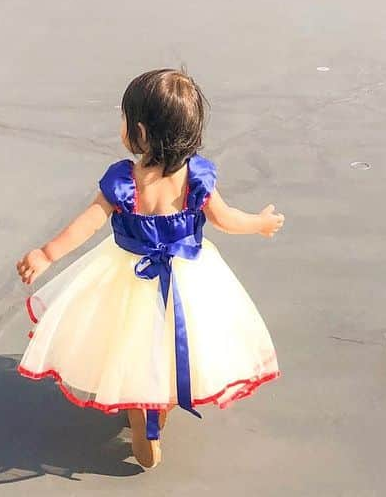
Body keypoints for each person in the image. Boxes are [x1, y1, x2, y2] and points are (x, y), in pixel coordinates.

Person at [16, 68, 283, 470]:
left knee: (126, 342)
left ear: (138, 131)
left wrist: (46, 254)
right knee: (181, 347)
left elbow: (86, 224)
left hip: (126, 275)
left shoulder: (126, 180)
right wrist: (260, 224)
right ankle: (159, 409)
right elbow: (227, 220)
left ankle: (141, 410)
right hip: (189, 278)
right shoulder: (197, 177)